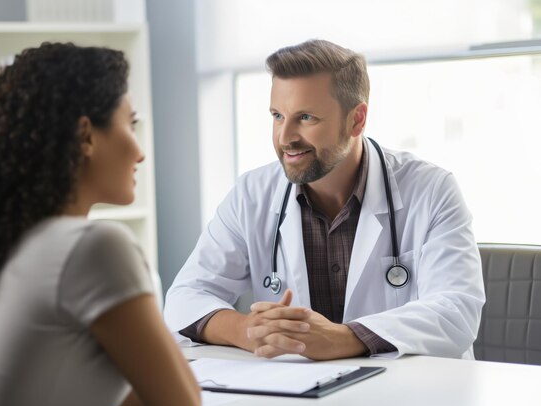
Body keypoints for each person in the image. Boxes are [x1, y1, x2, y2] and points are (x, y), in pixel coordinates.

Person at [0, 43, 200, 406]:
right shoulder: (93, 247)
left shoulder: (15, 244)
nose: (140, 151)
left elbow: (133, 401)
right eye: (129, 124)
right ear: (86, 136)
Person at [164, 39, 485, 361]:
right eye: (277, 115)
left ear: (357, 120)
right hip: (301, 395)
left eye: (306, 118)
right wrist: (249, 330)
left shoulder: (431, 189)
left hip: (414, 397)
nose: (285, 137)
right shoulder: (252, 193)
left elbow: (456, 310)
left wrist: (342, 338)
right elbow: (185, 296)